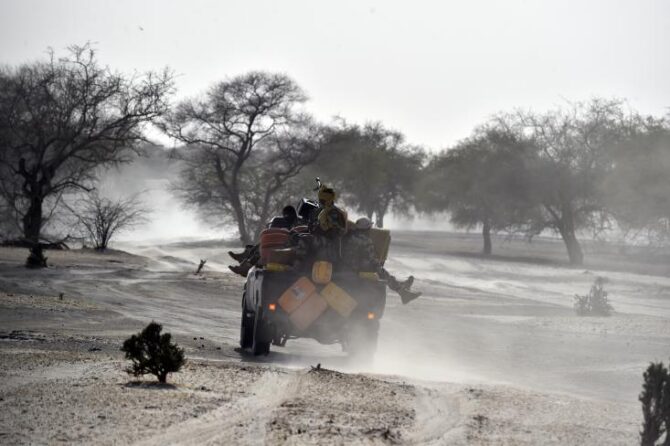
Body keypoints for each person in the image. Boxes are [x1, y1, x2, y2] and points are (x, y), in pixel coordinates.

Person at [342, 217, 421, 304]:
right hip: (357, 268)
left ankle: (400, 287)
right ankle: (401, 290)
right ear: (367, 229)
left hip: (346, 266)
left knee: (381, 271)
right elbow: (371, 260)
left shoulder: (348, 237)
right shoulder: (365, 240)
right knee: (380, 270)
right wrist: (379, 265)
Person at [228, 205, 299, 276]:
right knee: (263, 244)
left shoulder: (299, 224)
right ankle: (246, 261)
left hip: (289, 248)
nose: (287, 217)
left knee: (262, 247)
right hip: (285, 246)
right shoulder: (291, 222)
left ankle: (246, 263)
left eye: (288, 215)